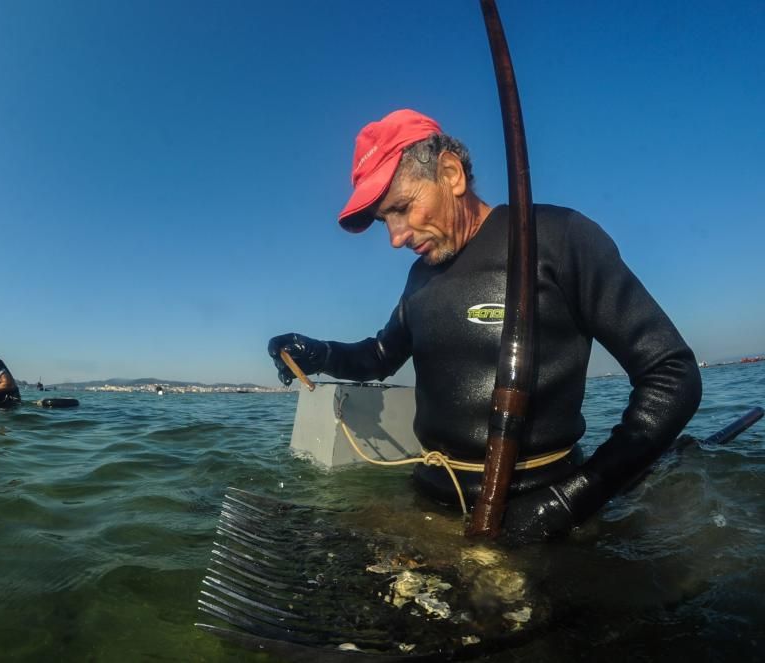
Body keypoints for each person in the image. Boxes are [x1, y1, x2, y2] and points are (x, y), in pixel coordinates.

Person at [268, 109, 702, 543]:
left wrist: (572, 499)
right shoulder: (421, 277)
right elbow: (381, 356)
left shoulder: (559, 238)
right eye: (386, 219)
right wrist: (318, 352)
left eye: (401, 208)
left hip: (544, 517)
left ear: (451, 174)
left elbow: (672, 375)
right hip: (429, 506)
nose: (395, 237)